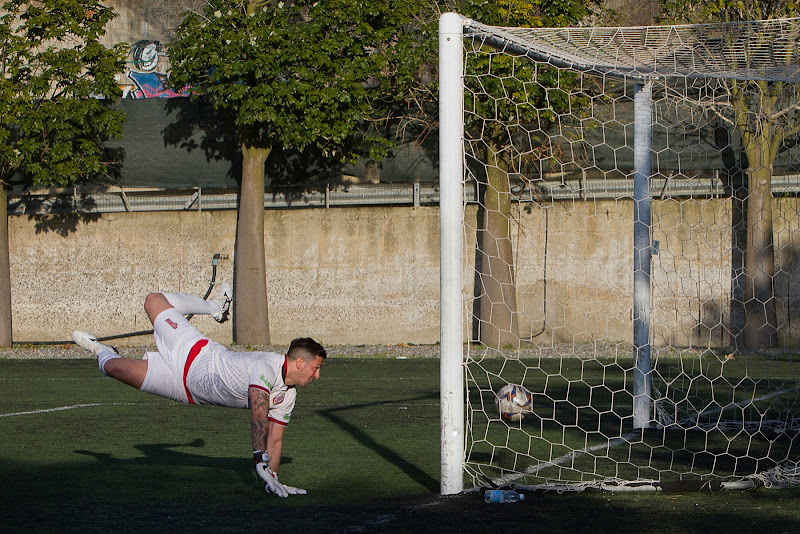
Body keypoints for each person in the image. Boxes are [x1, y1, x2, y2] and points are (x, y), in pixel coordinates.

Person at [71, 283, 326, 498]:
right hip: (191, 352)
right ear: (299, 362)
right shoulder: (267, 365)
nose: (317, 375)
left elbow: (276, 438)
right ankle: (216, 307)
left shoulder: (289, 394)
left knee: (113, 368)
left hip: (185, 388)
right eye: (315, 368)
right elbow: (258, 414)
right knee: (153, 300)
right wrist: (260, 458)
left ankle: (101, 350)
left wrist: (272, 477)